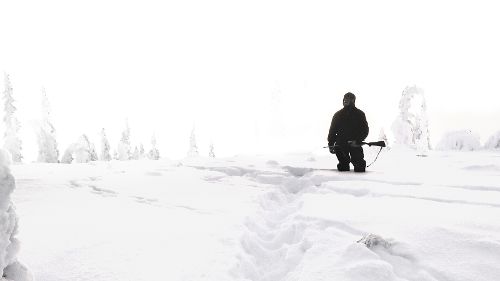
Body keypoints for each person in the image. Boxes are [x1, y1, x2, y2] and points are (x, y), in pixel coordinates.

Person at [327, 92, 369, 172]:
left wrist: (357, 141)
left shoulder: (360, 114)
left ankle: (361, 183)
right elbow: (332, 131)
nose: (345, 100)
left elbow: (365, 130)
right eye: (344, 99)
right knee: (343, 166)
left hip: (355, 144)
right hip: (341, 144)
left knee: (359, 166)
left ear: (353, 101)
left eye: (348, 99)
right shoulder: (337, 115)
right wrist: (331, 144)